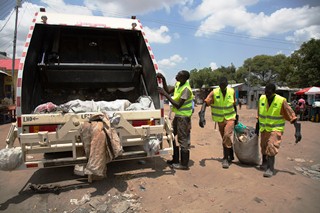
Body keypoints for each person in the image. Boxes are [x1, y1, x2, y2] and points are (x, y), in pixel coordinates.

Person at [257, 83, 302, 178]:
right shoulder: (262, 99)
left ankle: (270, 168)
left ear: (274, 92)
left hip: (276, 128)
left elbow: (292, 116)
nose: (267, 94)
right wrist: (257, 127)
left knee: (271, 146)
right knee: (264, 146)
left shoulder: (281, 101)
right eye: (265, 92)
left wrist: (297, 131)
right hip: (264, 128)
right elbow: (259, 114)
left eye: (269, 93)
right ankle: (264, 162)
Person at [198, 77, 238, 169]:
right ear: (219, 85)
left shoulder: (231, 91)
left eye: (224, 85)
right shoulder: (214, 92)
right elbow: (205, 102)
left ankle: (225, 158)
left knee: (227, 135)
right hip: (220, 119)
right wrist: (202, 115)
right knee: (224, 137)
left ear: (227, 85)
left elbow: (234, 104)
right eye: (221, 85)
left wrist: (237, 117)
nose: (222, 87)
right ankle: (230, 154)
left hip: (230, 118)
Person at [157, 70, 194, 170]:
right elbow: (168, 90)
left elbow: (177, 105)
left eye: (179, 75)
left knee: (182, 140)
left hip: (184, 117)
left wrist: (164, 94)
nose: (176, 76)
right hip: (178, 116)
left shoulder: (186, 89)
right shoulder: (178, 84)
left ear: (184, 78)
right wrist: (163, 79)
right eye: (177, 73)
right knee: (171, 135)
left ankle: (184, 164)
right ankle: (175, 159)